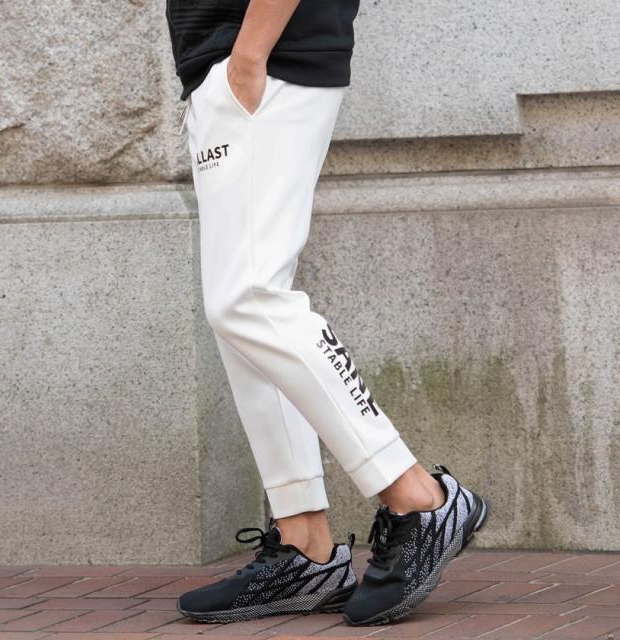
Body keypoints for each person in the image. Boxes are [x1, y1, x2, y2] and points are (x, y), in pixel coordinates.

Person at [166, 0, 489, 626]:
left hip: (264, 56)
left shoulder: (253, 62)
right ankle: (304, 544)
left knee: (248, 300)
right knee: (244, 314)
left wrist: (249, 56)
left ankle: (418, 496)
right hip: (234, 61)